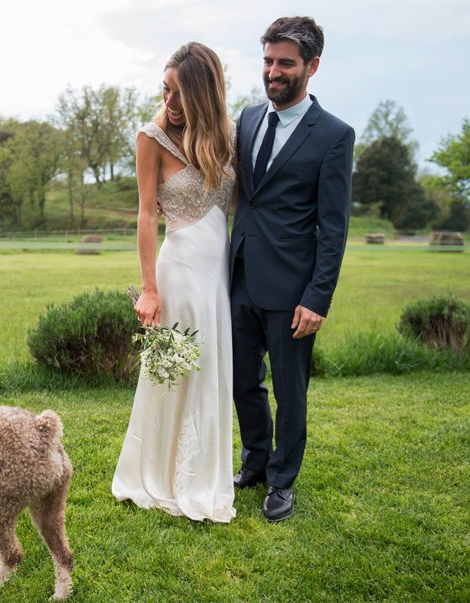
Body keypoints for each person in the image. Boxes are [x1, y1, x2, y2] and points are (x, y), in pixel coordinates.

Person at [229, 16, 354, 522]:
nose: (273, 72)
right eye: (267, 61)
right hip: (237, 278)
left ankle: (282, 480)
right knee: (241, 381)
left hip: (292, 291)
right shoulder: (248, 118)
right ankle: (255, 461)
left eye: (285, 63)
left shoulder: (334, 135)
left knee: (289, 391)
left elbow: (335, 226)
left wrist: (317, 297)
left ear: (312, 67)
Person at [112, 42, 237, 523]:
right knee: (174, 373)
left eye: (181, 94)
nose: (170, 103)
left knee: (210, 369)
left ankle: (205, 473)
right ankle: (158, 475)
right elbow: (145, 215)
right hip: (177, 270)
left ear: (206, 95)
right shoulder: (152, 137)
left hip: (218, 273)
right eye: (165, 90)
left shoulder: (228, 135)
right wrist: (149, 288)